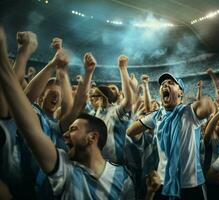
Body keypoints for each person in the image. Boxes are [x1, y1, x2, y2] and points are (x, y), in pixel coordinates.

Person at [0, 27, 135, 200]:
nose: (65, 135)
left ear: (92, 137)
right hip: (21, 186)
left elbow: (76, 104)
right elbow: (21, 102)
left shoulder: (122, 177)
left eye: (59, 94)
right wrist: (30, 56)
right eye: (51, 93)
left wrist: (86, 73)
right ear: (41, 94)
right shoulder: (66, 169)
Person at [127, 72, 215, 199]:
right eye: (162, 84)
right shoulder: (157, 115)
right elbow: (130, 131)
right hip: (163, 183)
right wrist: (149, 118)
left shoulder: (189, 112)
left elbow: (208, 107)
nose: (165, 85)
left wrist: (199, 101)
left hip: (191, 184)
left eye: (171, 83)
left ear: (180, 93)